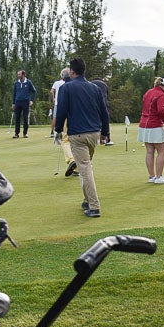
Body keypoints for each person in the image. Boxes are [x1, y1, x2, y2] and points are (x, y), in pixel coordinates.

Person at [54, 58, 110, 217]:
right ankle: (87, 200)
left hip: (77, 134)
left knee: (85, 168)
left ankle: (94, 207)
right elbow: (104, 112)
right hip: (94, 133)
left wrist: (58, 130)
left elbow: (62, 111)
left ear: (72, 72)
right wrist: (105, 132)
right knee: (85, 166)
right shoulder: (95, 88)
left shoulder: (67, 88)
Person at [139, 77, 164, 183]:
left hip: (143, 125)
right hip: (154, 125)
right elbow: (161, 111)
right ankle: (159, 177)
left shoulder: (149, 92)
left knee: (150, 151)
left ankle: (152, 176)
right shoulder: (161, 95)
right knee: (162, 151)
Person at [11, 69, 36, 138]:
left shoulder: (28, 82)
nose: (18, 75)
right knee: (17, 119)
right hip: (17, 102)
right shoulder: (16, 83)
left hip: (25, 102)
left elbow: (34, 91)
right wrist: (13, 103)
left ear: (23, 75)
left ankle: (25, 133)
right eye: (18, 74)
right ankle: (16, 133)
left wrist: (31, 100)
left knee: (25, 118)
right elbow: (14, 93)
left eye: (19, 74)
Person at [92, 75, 113, 145]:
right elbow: (107, 95)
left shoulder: (91, 83)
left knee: (95, 121)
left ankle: (97, 140)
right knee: (105, 120)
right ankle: (107, 138)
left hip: (94, 104)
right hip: (104, 103)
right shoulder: (104, 84)